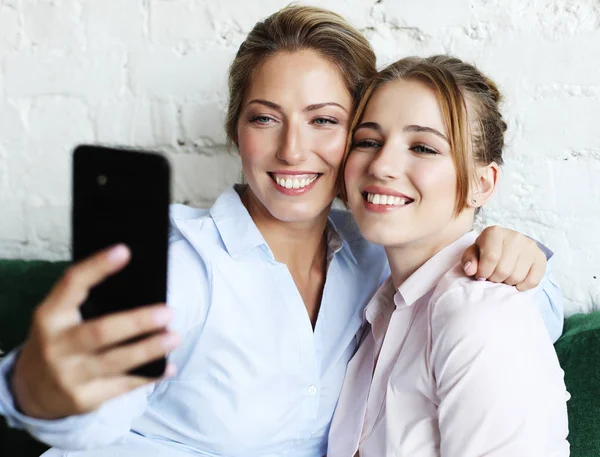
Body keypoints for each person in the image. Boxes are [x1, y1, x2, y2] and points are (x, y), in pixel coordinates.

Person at [0, 7, 563, 457]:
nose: (293, 150)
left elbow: (507, 319)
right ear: (236, 132)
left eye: (324, 120)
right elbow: (91, 414)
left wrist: (513, 252)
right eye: (264, 118)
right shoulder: (184, 266)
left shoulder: (377, 253)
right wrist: (35, 389)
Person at [328, 55, 569, 457]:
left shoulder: (477, 314)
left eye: (422, 147)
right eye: (368, 141)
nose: (382, 164)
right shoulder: (387, 305)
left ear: (482, 183)